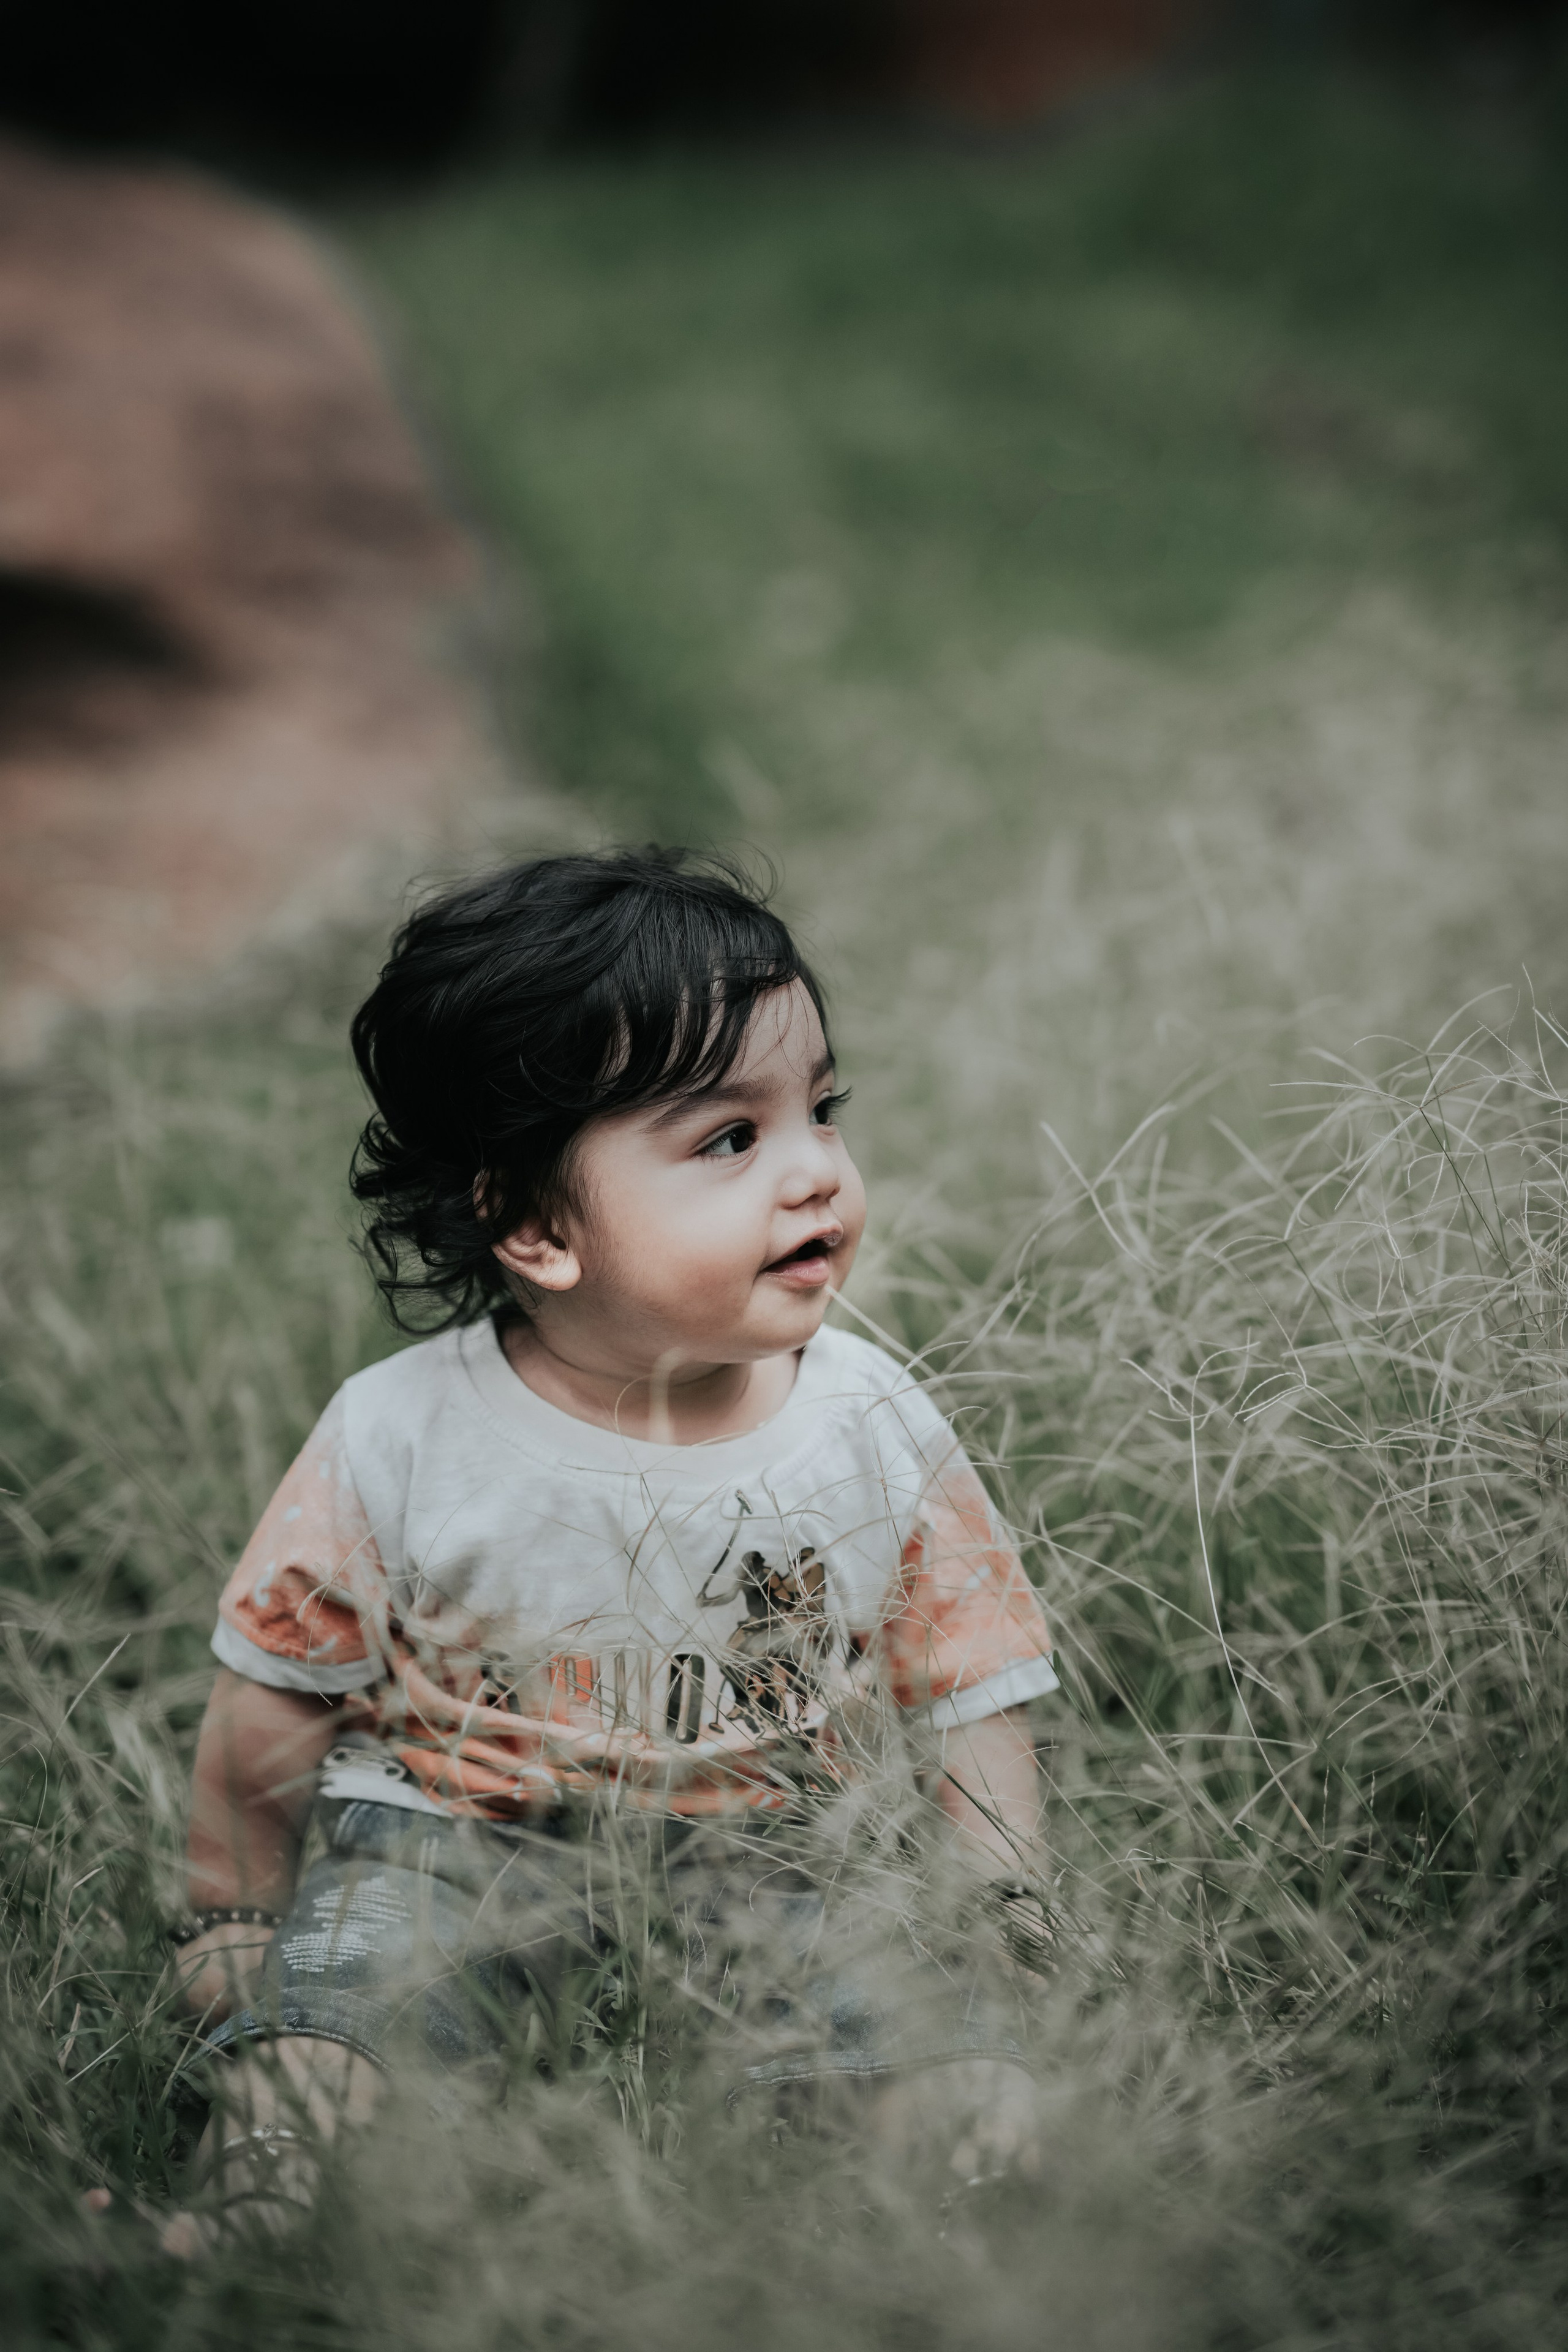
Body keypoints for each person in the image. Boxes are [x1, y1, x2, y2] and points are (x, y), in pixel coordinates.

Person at [160, 848, 1060, 2245]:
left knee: (933, 2038)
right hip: (450, 1833)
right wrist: (228, 1910)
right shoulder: (401, 1432)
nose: (815, 1171)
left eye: (820, 1109)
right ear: (529, 1225)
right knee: (337, 2024)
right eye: (728, 1140)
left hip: (780, 1840)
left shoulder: (871, 1418)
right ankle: (259, 2201)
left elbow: (968, 1679)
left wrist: (1000, 1900)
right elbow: (279, 1685)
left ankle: (959, 2207)